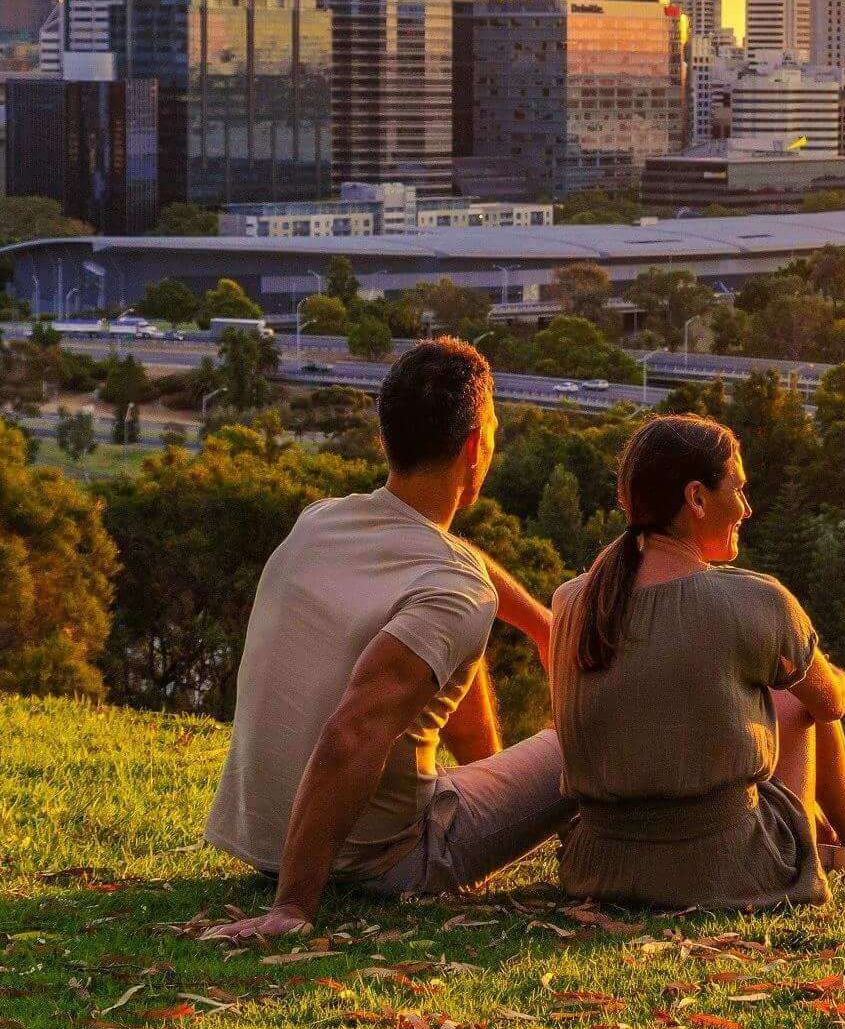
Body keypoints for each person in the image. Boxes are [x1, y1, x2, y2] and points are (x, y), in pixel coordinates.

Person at [201, 338, 571, 941]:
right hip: (377, 861)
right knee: (578, 740)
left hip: (258, 836)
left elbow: (448, 563)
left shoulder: (322, 520)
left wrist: (534, 621)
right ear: (476, 446)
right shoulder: (450, 590)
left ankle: (488, 777)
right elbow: (353, 733)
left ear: (388, 437)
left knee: (436, 637)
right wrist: (292, 909)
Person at [546, 414, 845, 910]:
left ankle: (838, 839)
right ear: (696, 498)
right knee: (797, 704)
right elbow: (832, 702)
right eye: (737, 488)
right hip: (725, 869)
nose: (748, 508)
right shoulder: (753, 602)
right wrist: (835, 674)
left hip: (595, 867)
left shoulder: (570, 602)